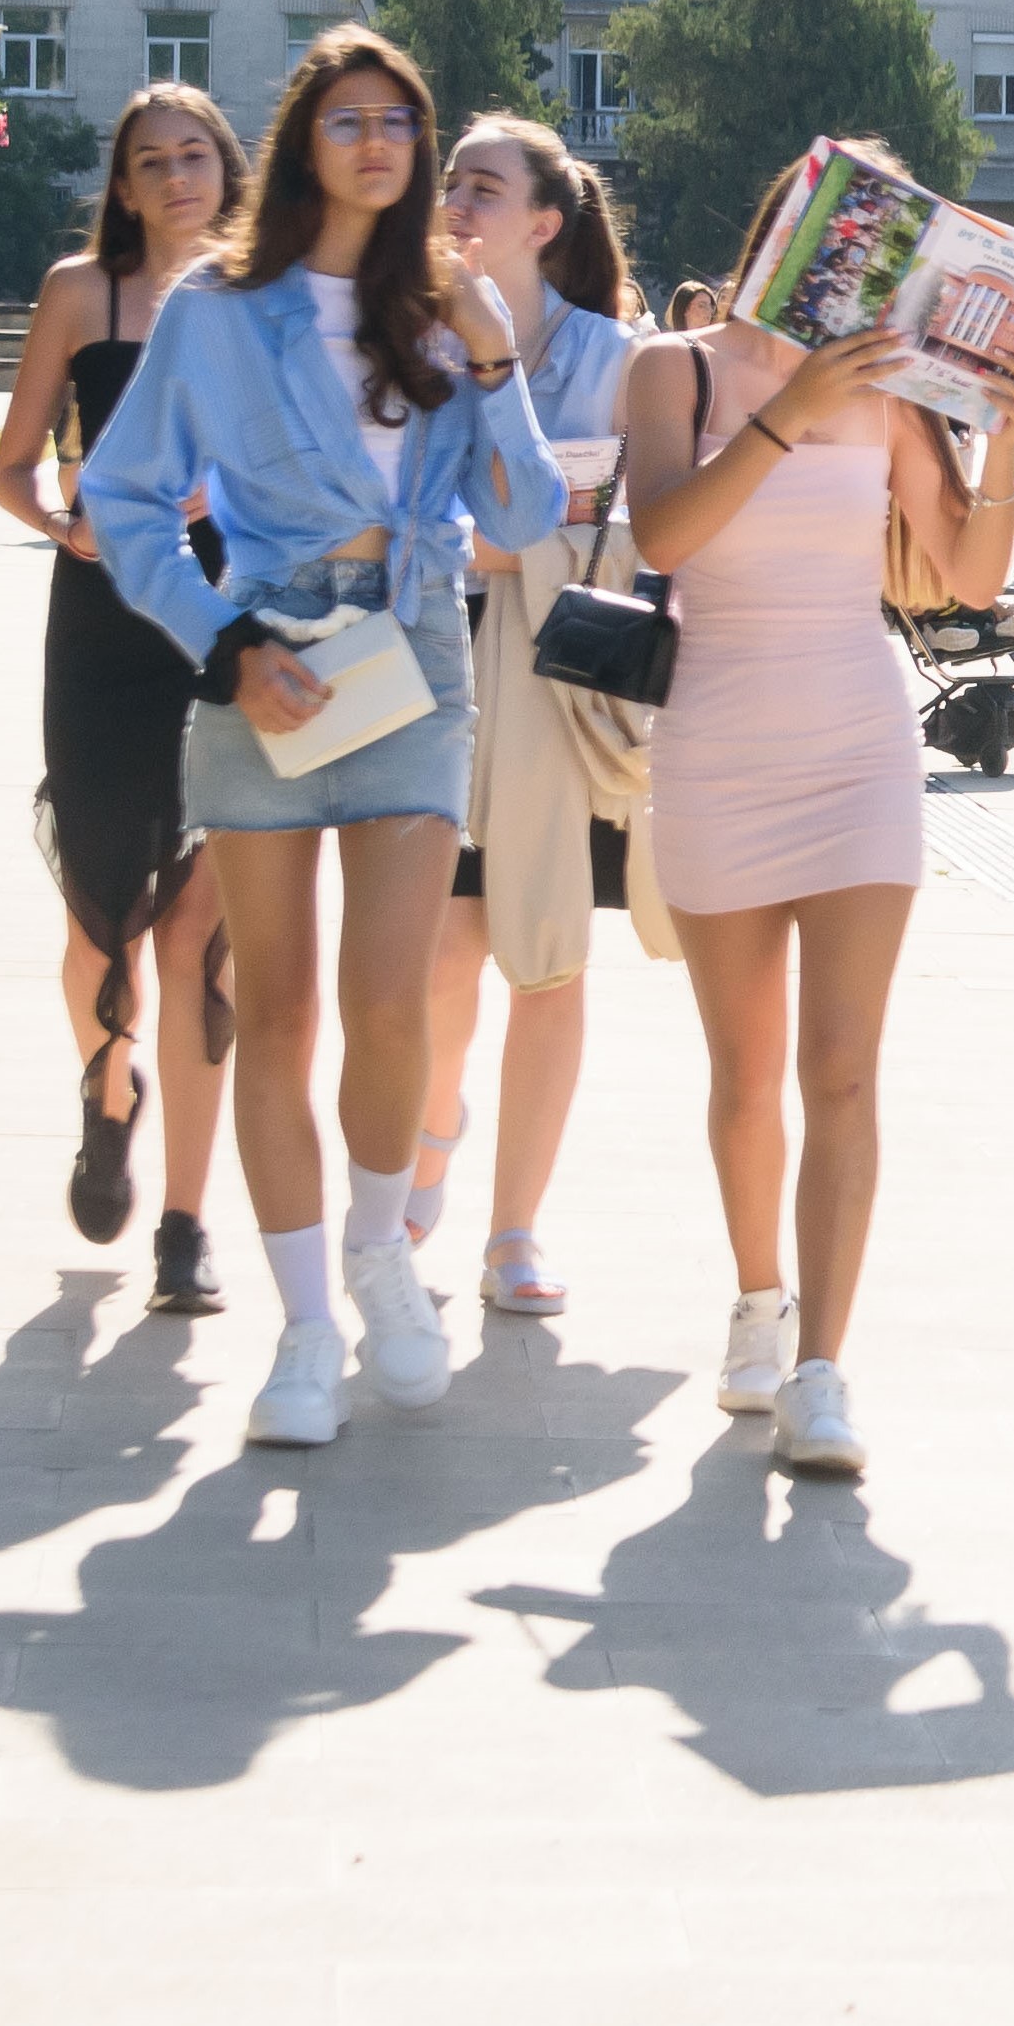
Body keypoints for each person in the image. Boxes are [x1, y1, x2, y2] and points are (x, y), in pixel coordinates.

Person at [77, 24, 564, 1450]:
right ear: (303, 143)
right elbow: (123, 496)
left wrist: (493, 355)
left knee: (392, 996)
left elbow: (529, 514)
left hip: (412, 654)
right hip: (268, 657)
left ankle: (377, 1252)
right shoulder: (220, 307)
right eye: (349, 120)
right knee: (274, 1012)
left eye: (400, 123)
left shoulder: (446, 311)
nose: (378, 144)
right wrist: (220, 642)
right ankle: (300, 1329)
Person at [625, 146, 1014, 1478]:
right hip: (716, 751)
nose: (865, 267)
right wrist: (790, 409)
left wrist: (1009, 442)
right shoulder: (673, 369)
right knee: (746, 1075)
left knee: (843, 1072)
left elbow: (967, 577)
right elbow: (662, 537)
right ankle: (759, 1301)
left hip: (858, 751)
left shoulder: (892, 394)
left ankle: (822, 1372)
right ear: (790, 230)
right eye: (851, 234)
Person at [0, 81, 252, 1310]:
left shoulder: (264, 296)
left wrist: (229, 492)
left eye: (195, 154)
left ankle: (186, 1225)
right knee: (101, 929)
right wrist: (64, 524)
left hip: (226, 615)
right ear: (125, 184)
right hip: (101, 623)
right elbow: (11, 468)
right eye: (151, 159)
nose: (176, 176)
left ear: (227, 167)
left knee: (203, 934)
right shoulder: (78, 293)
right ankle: (109, 1090)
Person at [412, 112, 640, 1319]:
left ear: (545, 223)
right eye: (451, 181)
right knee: (441, 951)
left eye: (484, 187)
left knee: (545, 954)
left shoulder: (612, 354)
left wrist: (513, 545)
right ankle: (431, 1126)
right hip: (430, 666)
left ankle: (514, 1232)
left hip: (556, 680)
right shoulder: (410, 336)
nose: (456, 200)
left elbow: (630, 519)